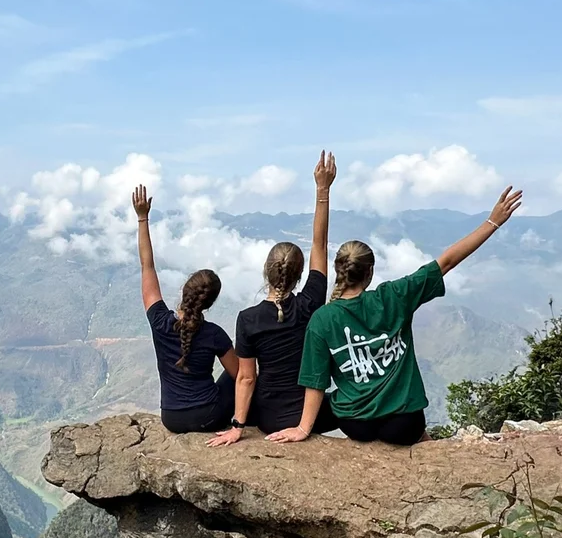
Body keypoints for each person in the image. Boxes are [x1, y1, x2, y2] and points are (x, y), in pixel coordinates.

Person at [267, 186, 524, 447]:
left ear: (338, 270)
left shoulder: (323, 319)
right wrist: (492, 222)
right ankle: (427, 444)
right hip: (405, 424)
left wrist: (302, 428)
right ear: (369, 272)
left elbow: (316, 381)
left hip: (356, 423)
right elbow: (446, 262)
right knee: (414, 430)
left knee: (335, 400)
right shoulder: (395, 296)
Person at [208, 150, 340, 448]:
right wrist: (323, 190)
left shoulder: (248, 319)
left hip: (268, 418)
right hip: (312, 416)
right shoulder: (310, 303)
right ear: (298, 276)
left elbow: (246, 379)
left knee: (234, 374)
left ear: (266, 272)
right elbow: (319, 244)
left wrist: (237, 427)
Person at [133, 183, 239, 434]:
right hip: (209, 418)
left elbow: (147, 266)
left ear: (184, 292)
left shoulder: (160, 322)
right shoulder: (214, 334)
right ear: (210, 303)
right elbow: (239, 376)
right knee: (243, 373)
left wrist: (142, 218)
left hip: (171, 418)